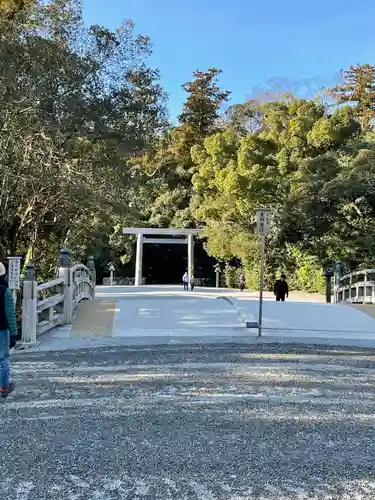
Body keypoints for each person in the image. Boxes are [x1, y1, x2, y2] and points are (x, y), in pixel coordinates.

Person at [0, 262, 17, 398]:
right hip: (2, 329)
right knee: (3, 359)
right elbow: (10, 314)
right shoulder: (5, 291)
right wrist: (14, 334)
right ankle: (4, 388)